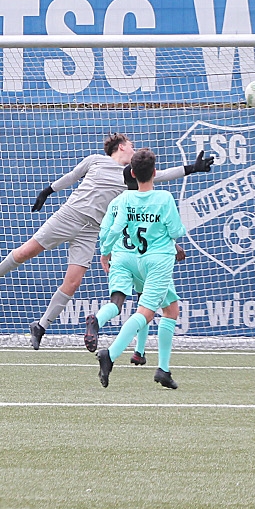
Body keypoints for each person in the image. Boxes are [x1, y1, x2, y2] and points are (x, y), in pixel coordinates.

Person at [0, 134, 212, 351]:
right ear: (121, 147)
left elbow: (162, 175)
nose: (133, 148)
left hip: (91, 230)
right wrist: (48, 191)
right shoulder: (96, 160)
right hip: (69, 216)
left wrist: (192, 168)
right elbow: (72, 176)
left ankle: (41, 326)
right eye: (131, 145)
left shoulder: (131, 175)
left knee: (73, 282)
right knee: (25, 252)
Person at [95, 149, 186, 389]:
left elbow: (116, 228)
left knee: (171, 309)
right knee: (145, 313)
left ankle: (163, 369)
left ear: (133, 173)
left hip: (138, 258)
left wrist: (105, 251)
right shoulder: (164, 198)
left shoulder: (126, 199)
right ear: (154, 172)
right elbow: (176, 230)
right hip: (159, 261)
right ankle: (111, 354)